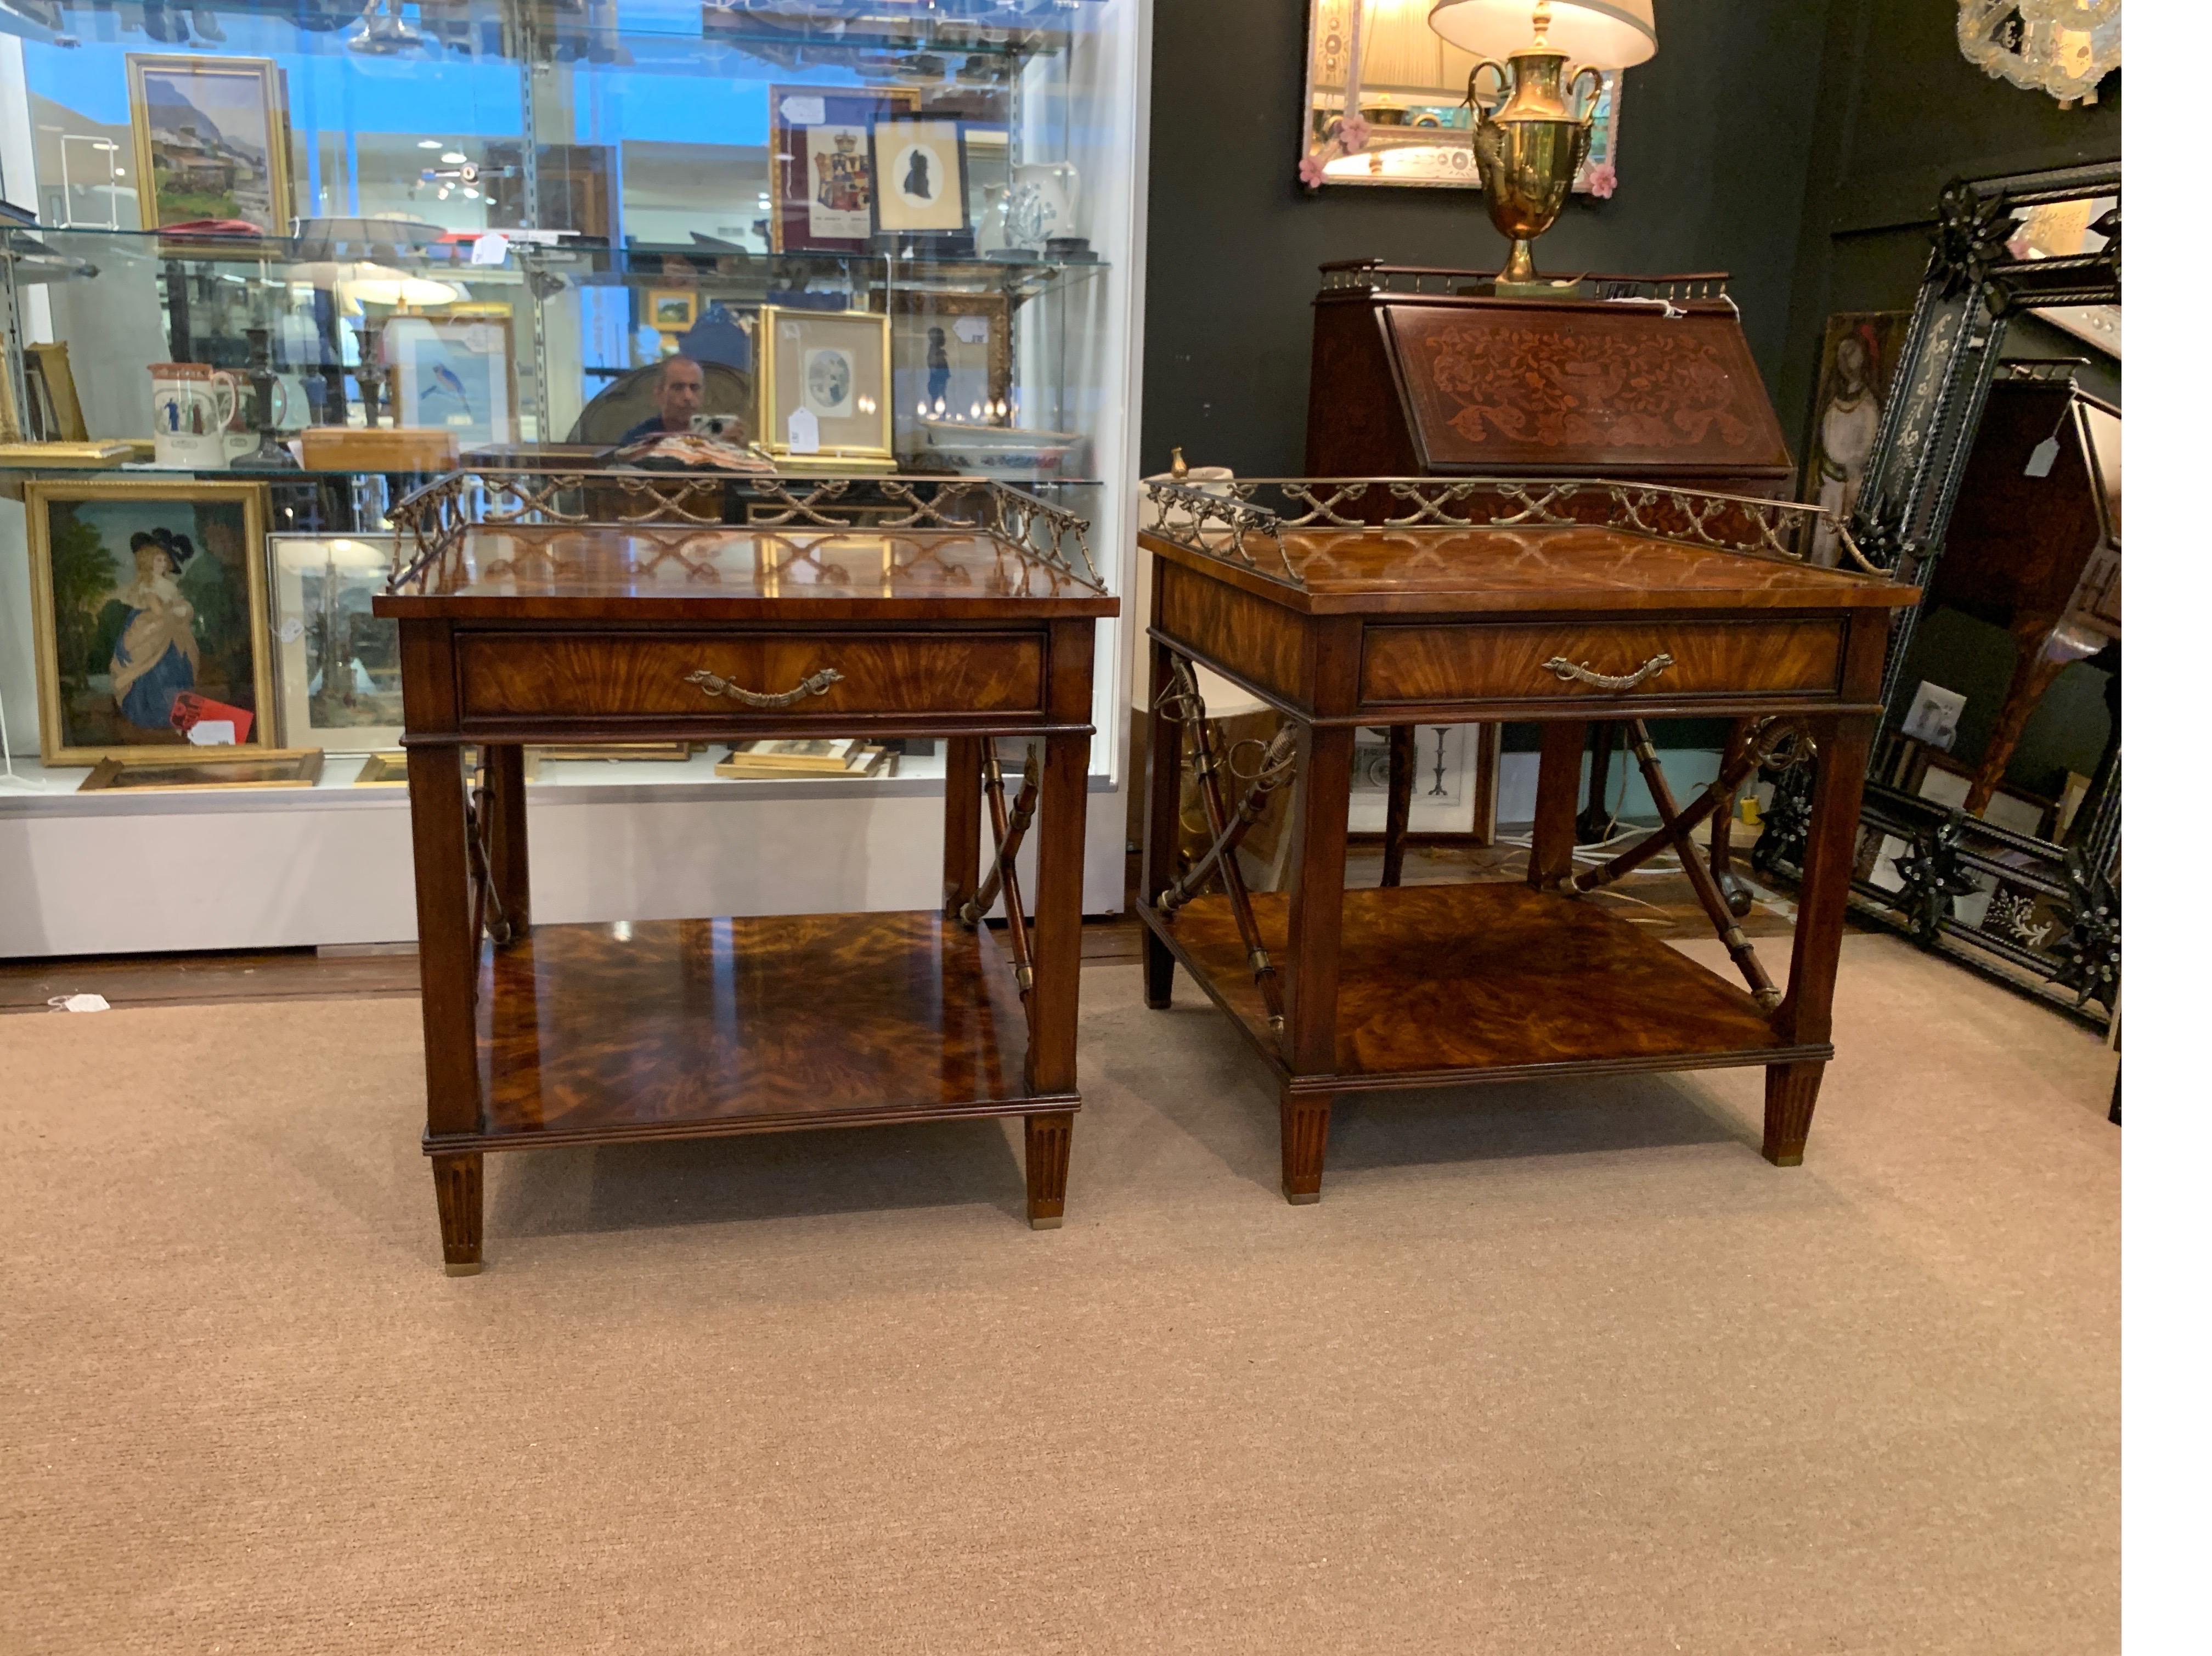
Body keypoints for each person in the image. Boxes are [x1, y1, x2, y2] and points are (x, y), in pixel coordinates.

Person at [108, 529, 200, 730]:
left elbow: (176, 607)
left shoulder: (166, 584)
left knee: (180, 669)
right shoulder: (148, 585)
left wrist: (183, 610)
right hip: (150, 629)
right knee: (156, 671)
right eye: (158, 560)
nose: (163, 564)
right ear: (148, 562)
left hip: (170, 631)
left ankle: (181, 719)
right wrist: (177, 610)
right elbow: (159, 611)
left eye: (164, 560)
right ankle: (157, 716)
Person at [619, 354, 706, 444]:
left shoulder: (715, 437)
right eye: (678, 388)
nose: (688, 397)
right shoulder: (638, 440)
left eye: (695, 388)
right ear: (659, 394)